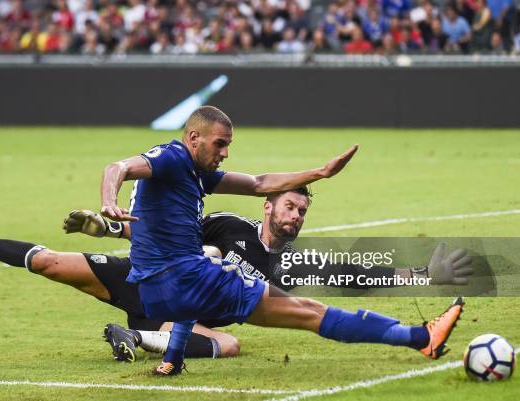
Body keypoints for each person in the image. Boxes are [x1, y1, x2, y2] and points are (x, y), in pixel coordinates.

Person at [0, 186, 473, 363]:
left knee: (228, 345)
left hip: (188, 316)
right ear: (270, 207)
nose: (296, 216)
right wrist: (102, 231)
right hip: (144, 278)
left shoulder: (287, 264)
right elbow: (163, 235)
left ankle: (138, 340)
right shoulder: (230, 227)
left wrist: (422, 272)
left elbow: (353, 277)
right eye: (290, 206)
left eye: (304, 211)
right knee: (50, 263)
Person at [97, 105, 464, 376]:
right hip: (181, 280)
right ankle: (420, 337)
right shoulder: (174, 157)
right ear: (194, 138)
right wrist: (108, 202)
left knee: (203, 262)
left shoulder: (195, 176)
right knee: (309, 311)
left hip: (155, 291)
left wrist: (319, 173)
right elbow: (119, 167)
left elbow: (258, 183)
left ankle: (170, 361)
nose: (225, 153)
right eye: (220, 144)